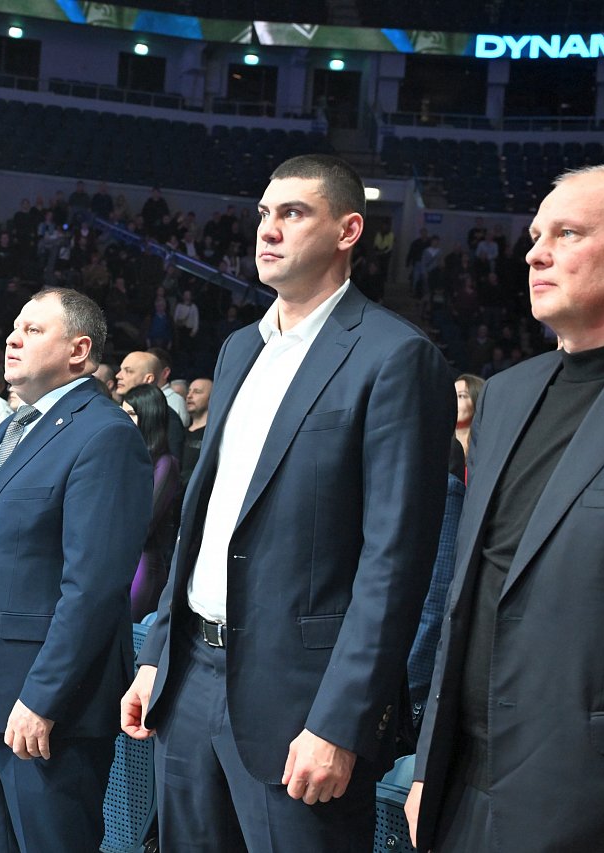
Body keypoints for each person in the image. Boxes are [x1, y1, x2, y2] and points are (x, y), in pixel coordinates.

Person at [120, 155, 453, 852]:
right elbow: (202, 522)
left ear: (348, 230)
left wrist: (340, 720)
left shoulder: (396, 356)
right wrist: (157, 655)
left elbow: (394, 564)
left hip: (303, 703)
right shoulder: (240, 348)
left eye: (293, 213)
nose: (268, 230)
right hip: (190, 677)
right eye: (264, 214)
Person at [407, 165, 604, 853]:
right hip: (460, 791)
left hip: (599, 810)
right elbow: (470, 593)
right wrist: (429, 768)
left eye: (567, 233)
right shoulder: (506, 394)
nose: (534, 254)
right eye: (534, 236)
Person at [0, 288, 152, 852]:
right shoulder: (7, 429)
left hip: (45, 704)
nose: (12, 339)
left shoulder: (105, 434)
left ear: (79, 350)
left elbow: (93, 589)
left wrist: (42, 698)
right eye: (14, 328)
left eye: (32, 330)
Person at [122, 383, 180, 622]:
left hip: (142, 563)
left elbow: (145, 523)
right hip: (119, 558)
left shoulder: (165, 464)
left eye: (131, 413)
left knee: (129, 629)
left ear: (148, 416)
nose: (124, 419)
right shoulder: (125, 455)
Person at [181, 377, 212, 486]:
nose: (189, 396)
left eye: (197, 392)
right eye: (189, 391)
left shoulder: (211, 436)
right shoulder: (180, 432)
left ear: (211, 398)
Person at [452, 373, 484, 469]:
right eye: (451, 396)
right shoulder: (437, 443)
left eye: (461, 396)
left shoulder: (484, 447)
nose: (453, 401)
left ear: (477, 401)